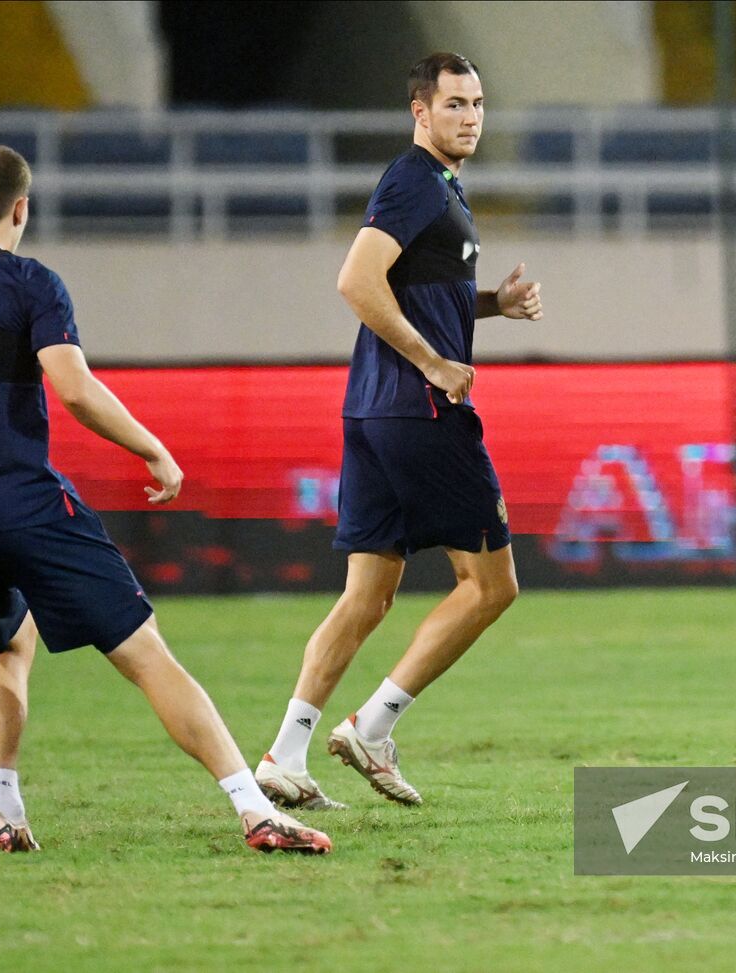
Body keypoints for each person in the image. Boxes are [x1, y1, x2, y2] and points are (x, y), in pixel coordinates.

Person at [0, 144, 330, 855]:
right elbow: (73, 388)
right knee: (144, 652)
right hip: (26, 505)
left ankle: (3, 811)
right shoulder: (30, 281)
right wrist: (152, 447)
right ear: (22, 209)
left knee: (6, 645)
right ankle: (255, 808)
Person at [256, 53, 542, 810]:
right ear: (420, 111)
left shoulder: (441, 186)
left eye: (478, 102)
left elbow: (413, 286)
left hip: (373, 410)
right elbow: (357, 279)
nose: (470, 116)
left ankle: (285, 755)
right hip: (419, 409)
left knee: (366, 597)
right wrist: (435, 362)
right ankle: (373, 726)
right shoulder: (414, 179)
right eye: (454, 104)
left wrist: (489, 307)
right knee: (491, 585)